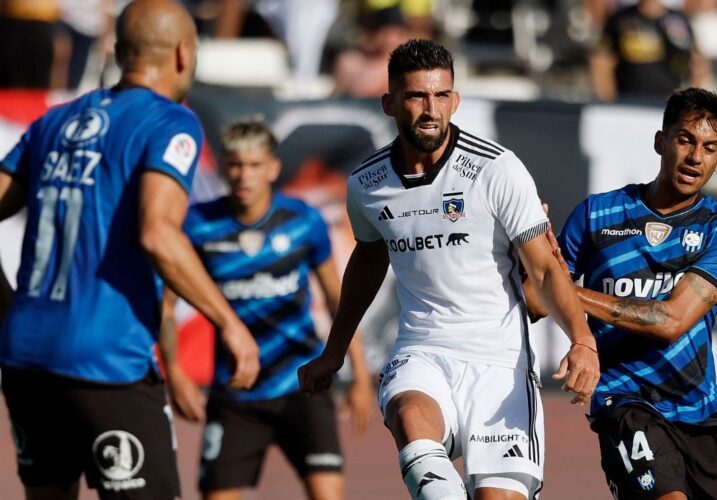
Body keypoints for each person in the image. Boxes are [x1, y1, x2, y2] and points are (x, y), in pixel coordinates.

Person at [299, 39, 600, 500]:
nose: (430, 109)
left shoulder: (496, 169)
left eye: (441, 96)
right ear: (389, 103)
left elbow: (543, 268)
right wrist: (334, 350)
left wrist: (581, 340)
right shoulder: (367, 184)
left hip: (500, 364)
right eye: (416, 96)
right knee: (410, 422)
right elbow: (368, 258)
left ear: (455, 100)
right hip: (421, 350)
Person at [0, 1, 260, 498]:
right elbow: (158, 234)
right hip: (105, 361)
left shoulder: (55, 121)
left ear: (119, 52)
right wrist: (228, 322)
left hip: (25, 355)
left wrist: (4, 302)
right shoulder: (169, 122)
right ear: (184, 54)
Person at [544, 87, 717, 499]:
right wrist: (528, 249)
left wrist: (567, 289)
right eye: (685, 140)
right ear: (661, 141)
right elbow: (537, 298)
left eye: (710, 148)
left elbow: (671, 322)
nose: (696, 157)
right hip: (624, 401)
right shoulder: (595, 215)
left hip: (700, 410)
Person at [159, 119, 376, 500]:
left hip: (303, 386)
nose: (244, 175)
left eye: (255, 165)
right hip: (236, 394)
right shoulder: (199, 225)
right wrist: (174, 371)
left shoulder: (302, 221)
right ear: (223, 167)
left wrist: (359, 375)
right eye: (236, 164)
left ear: (273, 168)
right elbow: (167, 305)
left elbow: (338, 299)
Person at [589, 0, 710, 101]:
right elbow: (601, 64)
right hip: (628, 102)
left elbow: (699, 64)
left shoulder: (678, 20)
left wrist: (689, 103)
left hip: (668, 105)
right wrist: (610, 103)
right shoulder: (620, 19)